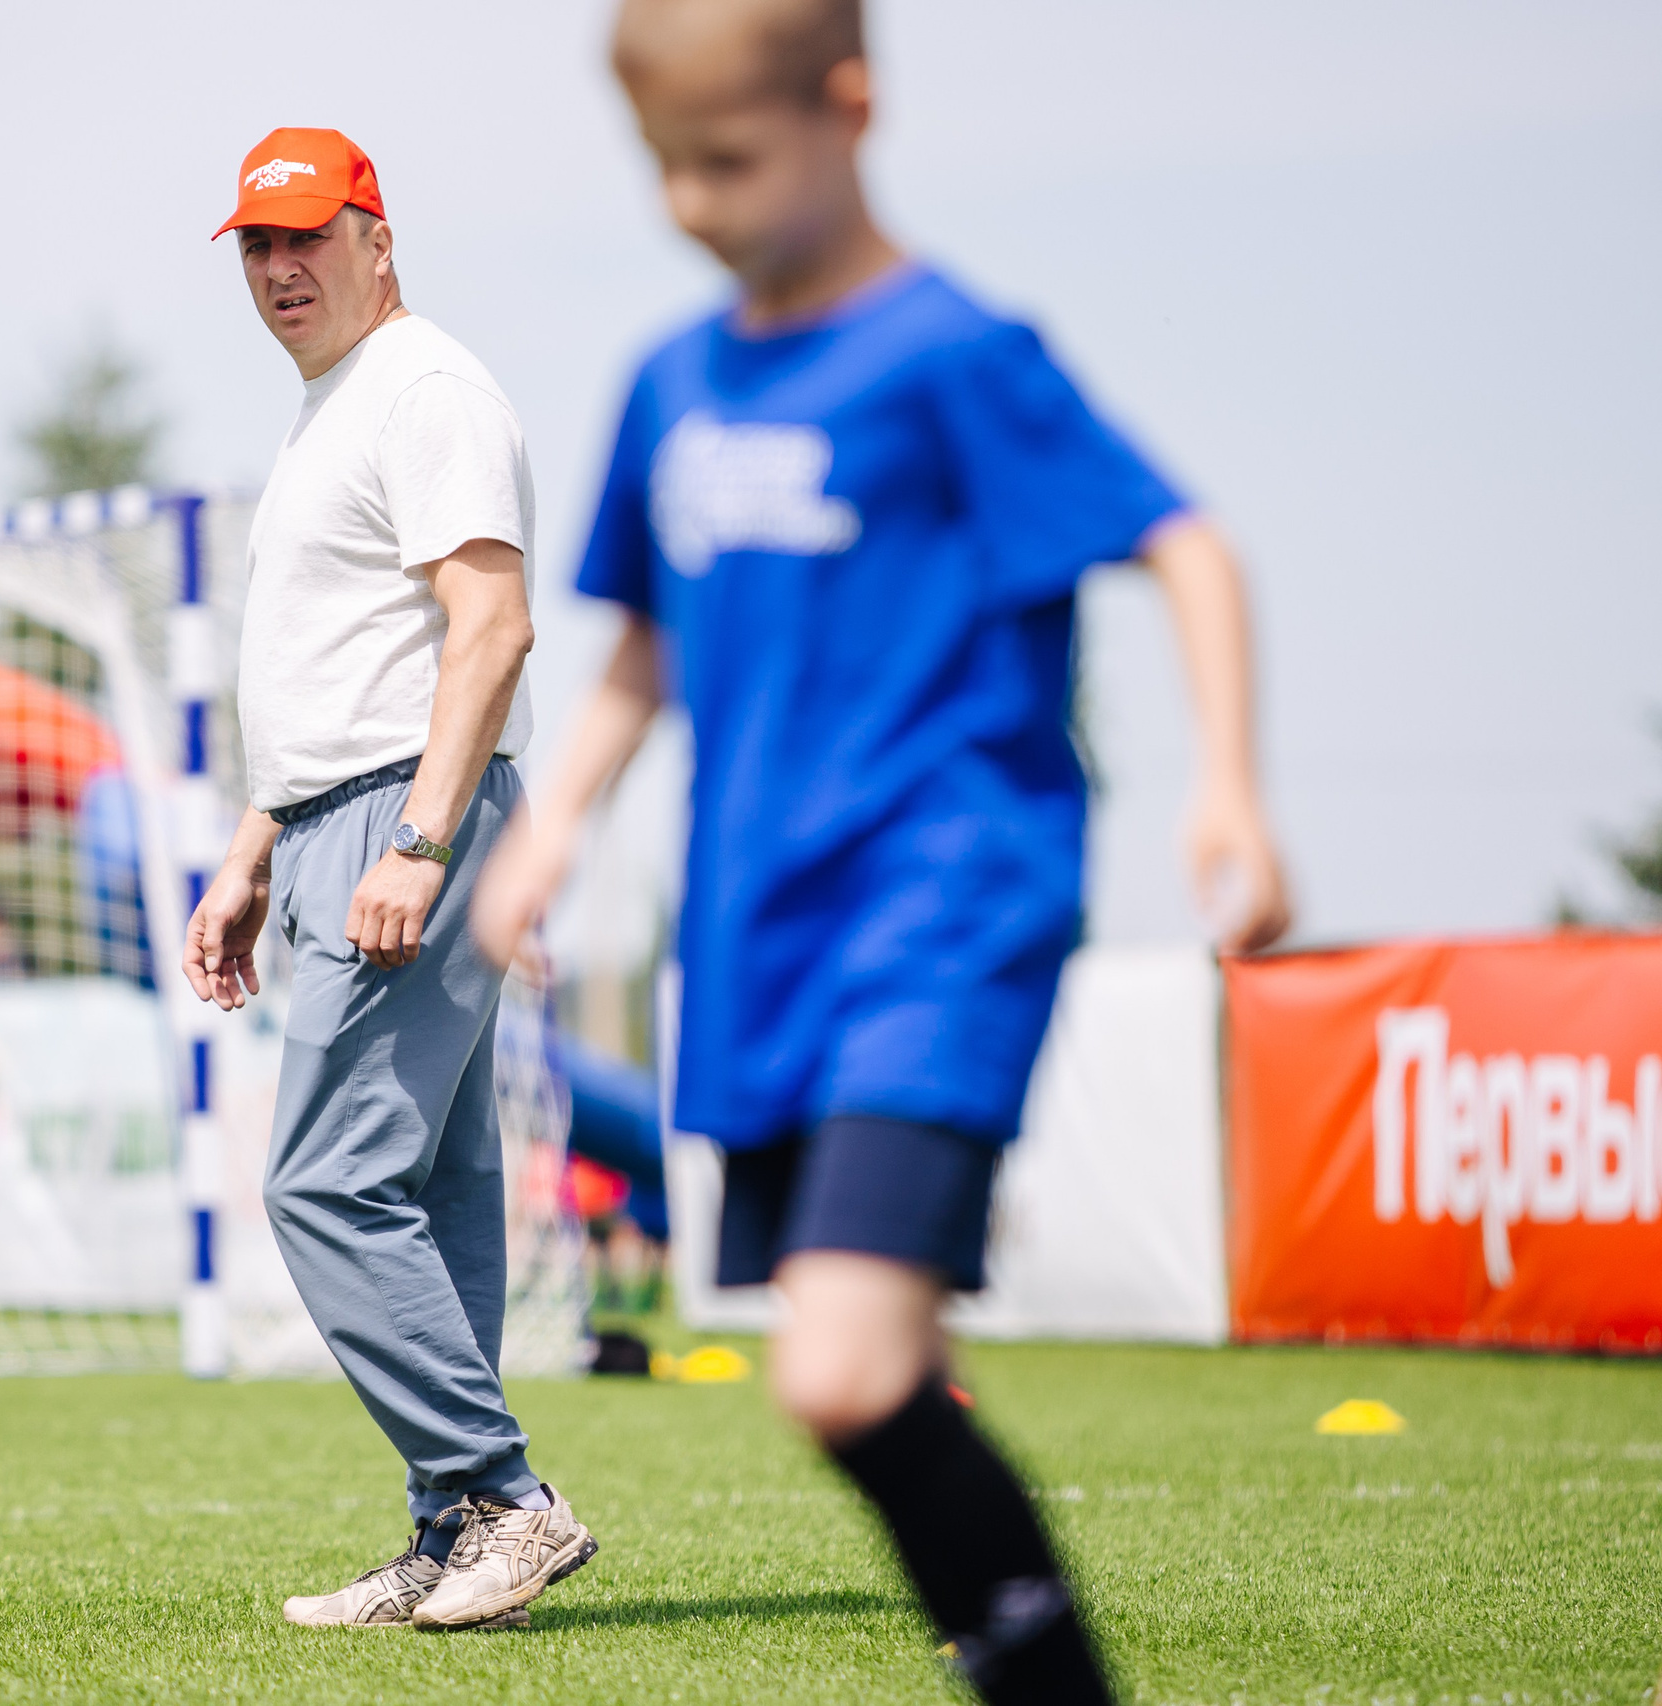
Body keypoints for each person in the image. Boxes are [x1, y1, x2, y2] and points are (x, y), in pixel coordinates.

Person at [472, 1, 1291, 1698]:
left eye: (731, 160)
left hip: (944, 911)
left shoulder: (954, 355)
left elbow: (1186, 545)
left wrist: (1229, 783)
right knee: (853, 1367)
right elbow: (638, 649)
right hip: (760, 937)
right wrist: (549, 828)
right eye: (665, 169)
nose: (695, 200)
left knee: (839, 1374)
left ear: (854, 105)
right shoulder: (675, 384)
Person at [183, 126, 599, 1632]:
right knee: (434, 1185)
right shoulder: (338, 405)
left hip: (402, 821)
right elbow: (328, 675)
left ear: (379, 238)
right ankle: (453, 1529)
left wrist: (420, 843)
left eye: (306, 236)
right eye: (255, 246)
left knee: (324, 1178)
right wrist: (250, 851)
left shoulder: (425, 390)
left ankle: (503, 1497)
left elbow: (491, 629)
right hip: (337, 819)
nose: (279, 269)